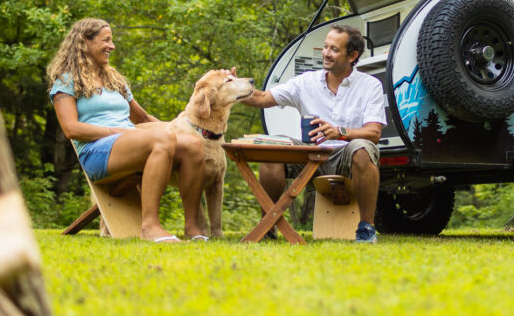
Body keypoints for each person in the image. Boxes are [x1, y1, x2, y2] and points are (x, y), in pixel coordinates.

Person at [48, 18, 207, 242]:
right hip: (96, 152)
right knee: (160, 140)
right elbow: (71, 129)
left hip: (131, 143)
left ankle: (193, 227)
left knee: (192, 144)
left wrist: (183, 129)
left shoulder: (115, 81)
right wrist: (119, 132)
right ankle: (150, 227)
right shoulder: (66, 81)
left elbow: (142, 118)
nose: (112, 46)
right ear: (85, 42)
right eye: (106, 40)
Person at [240, 25, 386, 243]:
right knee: (272, 146)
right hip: (309, 156)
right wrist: (233, 86)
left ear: (352, 55)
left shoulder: (369, 85)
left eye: (334, 49)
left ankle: (366, 228)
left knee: (363, 147)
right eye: (325, 47)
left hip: (348, 155)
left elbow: (373, 132)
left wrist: (340, 132)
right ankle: (268, 226)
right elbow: (261, 98)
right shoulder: (305, 82)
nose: (326, 53)